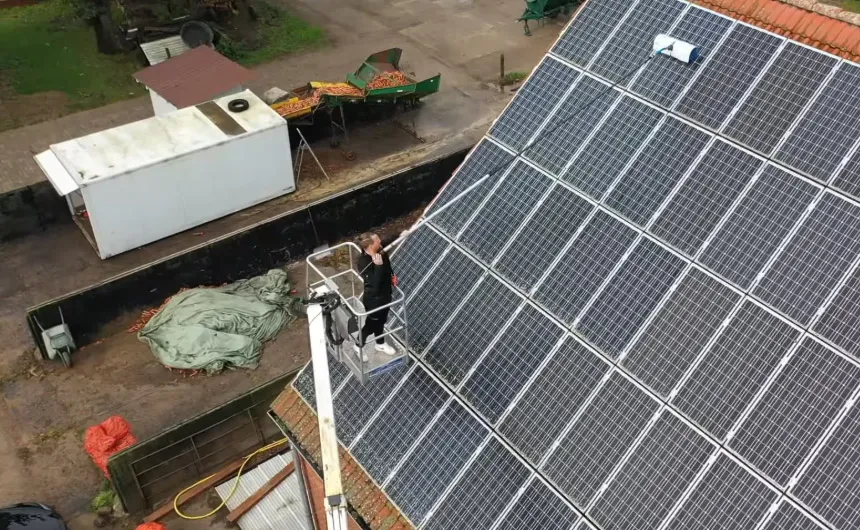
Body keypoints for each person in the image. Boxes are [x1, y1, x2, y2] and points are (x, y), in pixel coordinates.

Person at [354, 232, 399, 360]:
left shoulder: (380, 251)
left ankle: (380, 343)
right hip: (374, 300)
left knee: (381, 321)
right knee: (371, 325)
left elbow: (391, 241)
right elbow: (375, 284)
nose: (380, 241)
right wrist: (378, 267)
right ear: (370, 246)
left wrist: (392, 275)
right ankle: (358, 346)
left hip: (385, 296)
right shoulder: (364, 263)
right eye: (377, 240)